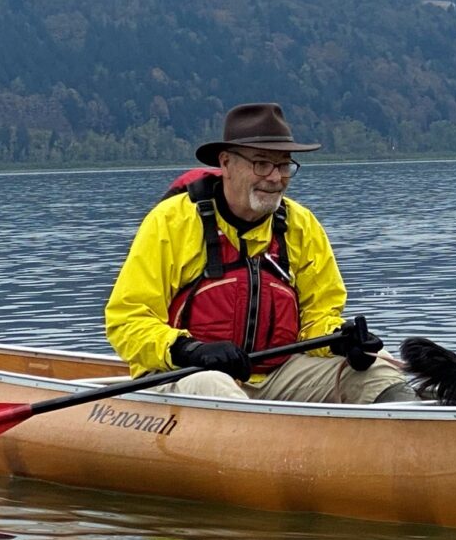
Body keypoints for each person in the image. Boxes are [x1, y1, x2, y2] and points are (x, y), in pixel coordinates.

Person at [105, 102, 415, 404]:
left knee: (379, 368)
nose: (276, 178)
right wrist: (188, 349)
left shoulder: (301, 225)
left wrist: (339, 340)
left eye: (283, 165)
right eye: (262, 164)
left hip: (277, 376)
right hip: (184, 374)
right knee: (213, 382)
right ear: (226, 163)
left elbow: (317, 318)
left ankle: (414, 441)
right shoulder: (170, 222)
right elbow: (127, 321)